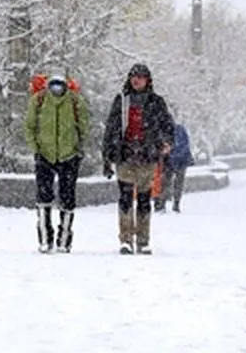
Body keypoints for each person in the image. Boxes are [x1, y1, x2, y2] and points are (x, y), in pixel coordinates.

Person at [101, 62, 174, 254]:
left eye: (140, 77)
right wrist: (107, 156)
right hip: (125, 156)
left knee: (144, 199)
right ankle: (125, 239)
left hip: (147, 156)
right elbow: (111, 129)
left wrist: (166, 143)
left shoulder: (156, 102)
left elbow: (167, 125)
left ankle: (143, 239)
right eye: (134, 76)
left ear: (147, 80)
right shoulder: (122, 101)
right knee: (125, 198)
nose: (136, 80)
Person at [24, 73, 91, 253]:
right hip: (44, 155)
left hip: (69, 156)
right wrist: (36, 149)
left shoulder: (76, 103)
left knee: (68, 197)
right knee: (43, 197)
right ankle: (45, 238)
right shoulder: (38, 101)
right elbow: (29, 126)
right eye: (53, 86)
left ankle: (64, 239)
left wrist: (78, 150)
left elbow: (84, 127)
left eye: (59, 86)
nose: (56, 89)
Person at [152, 121, 195, 213]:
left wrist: (168, 152)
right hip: (180, 161)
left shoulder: (166, 131)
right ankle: (175, 204)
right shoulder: (180, 129)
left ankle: (164, 204)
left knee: (166, 182)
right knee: (177, 183)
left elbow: (166, 146)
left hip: (172, 161)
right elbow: (185, 144)